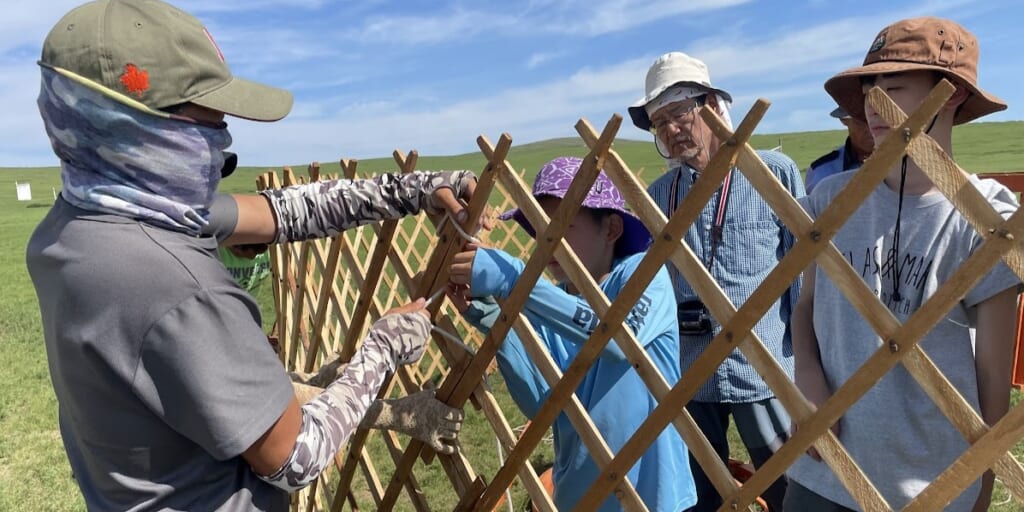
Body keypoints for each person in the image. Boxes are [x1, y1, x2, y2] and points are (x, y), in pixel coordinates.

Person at [28, 1, 471, 510]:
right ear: (134, 131)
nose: (222, 147)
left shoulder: (81, 224)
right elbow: (297, 457)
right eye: (206, 127)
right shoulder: (174, 285)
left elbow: (284, 212)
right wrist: (383, 348)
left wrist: (415, 190)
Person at [784, 17, 1020, 512]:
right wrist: (808, 385)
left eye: (892, 87)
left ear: (950, 95)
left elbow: (994, 385)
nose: (874, 105)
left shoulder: (986, 222)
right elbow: (805, 308)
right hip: (821, 474)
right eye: (869, 89)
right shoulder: (830, 199)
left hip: (926, 487)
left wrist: (978, 486)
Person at [446, 156, 697, 511]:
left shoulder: (644, 276)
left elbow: (617, 341)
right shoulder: (561, 301)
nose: (545, 241)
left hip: (651, 496)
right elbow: (542, 398)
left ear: (610, 229)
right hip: (581, 496)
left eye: (560, 226)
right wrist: (496, 322)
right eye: (537, 229)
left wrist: (520, 280)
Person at [627, 52, 805, 511]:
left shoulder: (772, 172)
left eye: (678, 114)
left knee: (784, 480)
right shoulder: (660, 196)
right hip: (690, 370)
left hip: (761, 367)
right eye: (658, 122)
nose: (669, 130)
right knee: (700, 486)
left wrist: (809, 365)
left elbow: (804, 274)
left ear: (711, 106)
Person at [804, 107, 874, 193]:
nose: (871, 128)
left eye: (881, 120)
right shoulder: (821, 171)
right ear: (844, 120)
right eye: (861, 122)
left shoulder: (895, 164)